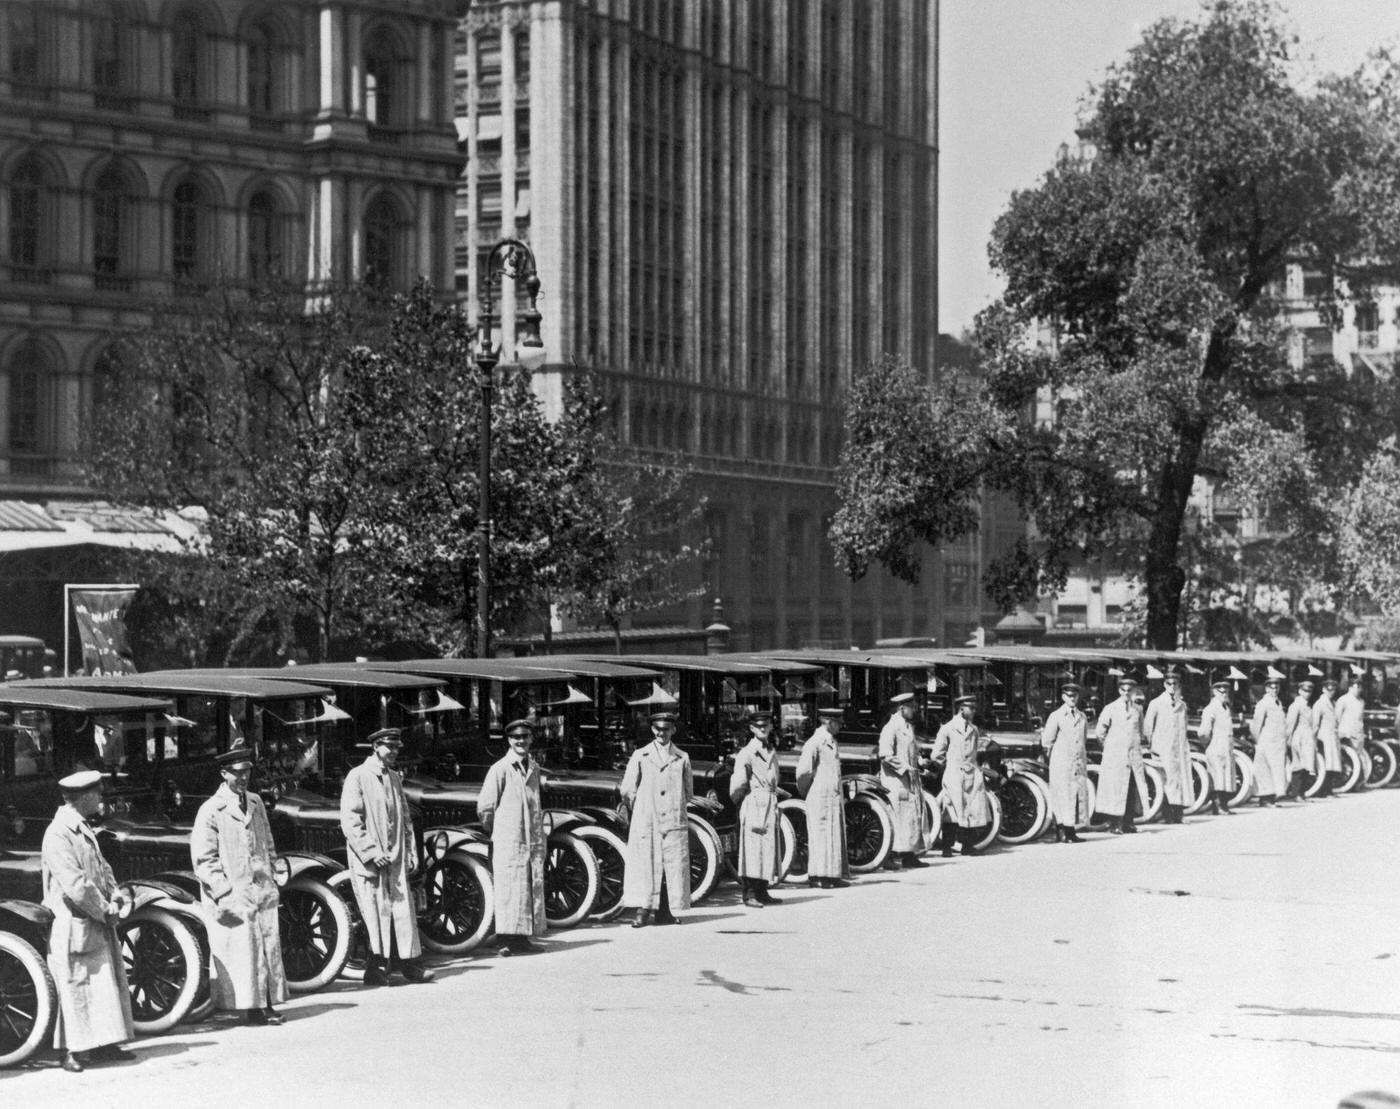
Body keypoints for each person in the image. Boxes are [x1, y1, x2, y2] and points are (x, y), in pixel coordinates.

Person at [41, 769, 135, 1073]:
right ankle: (72, 1052)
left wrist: (115, 893)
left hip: (92, 917)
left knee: (103, 983)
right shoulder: (58, 833)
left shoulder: (80, 827)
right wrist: (104, 908)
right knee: (76, 989)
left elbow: (101, 867)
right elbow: (75, 883)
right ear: (83, 797)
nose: (101, 798)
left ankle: (106, 1043)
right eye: (97, 794)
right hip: (74, 921)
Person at [190, 748, 287, 1025]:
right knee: (243, 951)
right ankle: (250, 1008)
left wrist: (274, 871)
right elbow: (203, 858)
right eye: (237, 772)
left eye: (247, 772)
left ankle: (266, 1003)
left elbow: (267, 842)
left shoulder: (255, 802)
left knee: (266, 946)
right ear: (224, 774)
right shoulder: (211, 810)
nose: (243, 777)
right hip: (233, 892)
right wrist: (223, 891)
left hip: (260, 887)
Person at [340, 727, 434, 985]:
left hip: (396, 856)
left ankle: (412, 965)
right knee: (374, 912)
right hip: (370, 861)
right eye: (389, 747)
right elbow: (350, 821)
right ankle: (377, 970)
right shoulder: (357, 776)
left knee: (404, 911)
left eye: (397, 747)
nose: (394, 752)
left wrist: (411, 851)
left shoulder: (394, 777)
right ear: (375, 747)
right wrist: (371, 852)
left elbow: (405, 818)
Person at [477, 718, 546, 956]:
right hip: (508, 839)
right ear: (509, 740)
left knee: (526, 887)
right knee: (508, 889)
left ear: (531, 739)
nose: (521, 741)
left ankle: (522, 939)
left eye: (525, 737)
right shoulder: (501, 768)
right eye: (516, 738)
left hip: (530, 838)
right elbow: (485, 807)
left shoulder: (533, 768)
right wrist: (498, 831)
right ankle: (505, 939)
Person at [620, 711, 693, 927]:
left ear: (673, 730)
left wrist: (673, 806)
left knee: (670, 866)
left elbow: (687, 791)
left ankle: (665, 911)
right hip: (647, 818)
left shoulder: (682, 757)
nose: (662, 733)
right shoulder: (641, 755)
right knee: (646, 864)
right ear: (652, 729)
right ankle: (642, 911)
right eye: (658, 729)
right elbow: (627, 789)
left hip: (672, 819)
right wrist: (641, 809)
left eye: (666, 729)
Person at [730, 709, 782, 907]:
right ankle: (749, 893)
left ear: (770, 727)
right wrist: (744, 802)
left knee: (767, 848)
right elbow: (737, 785)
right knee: (752, 850)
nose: (762, 729)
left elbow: (775, 777)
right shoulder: (747, 753)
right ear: (752, 728)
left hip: (769, 802)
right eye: (758, 726)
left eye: (766, 726)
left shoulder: (770, 751)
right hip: (754, 802)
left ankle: (762, 890)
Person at [929, 694, 992, 857]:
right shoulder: (948, 728)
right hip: (954, 774)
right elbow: (936, 754)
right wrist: (949, 766)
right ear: (961, 708)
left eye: (974, 708)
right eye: (970, 708)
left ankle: (967, 845)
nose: (973, 711)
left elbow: (975, 751)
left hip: (971, 774)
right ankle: (947, 847)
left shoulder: (974, 729)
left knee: (971, 809)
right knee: (951, 810)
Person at [796, 707, 850, 889]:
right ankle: (817, 876)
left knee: (832, 836)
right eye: (838, 722)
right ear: (828, 722)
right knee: (820, 837)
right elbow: (803, 772)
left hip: (832, 797)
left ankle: (832, 875)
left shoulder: (831, 741)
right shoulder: (815, 742)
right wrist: (810, 793)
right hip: (819, 797)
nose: (841, 726)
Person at [878, 692, 929, 868]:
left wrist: (920, 761)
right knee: (896, 818)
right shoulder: (891, 727)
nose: (914, 710)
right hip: (896, 781)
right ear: (902, 708)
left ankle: (909, 855)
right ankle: (889, 857)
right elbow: (885, 754)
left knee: (910, 818)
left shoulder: (907, 727)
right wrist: (905, 767)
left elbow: (911, 750)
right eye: (912, 707)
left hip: (909, 780)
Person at [1094, 675, 1148, 835]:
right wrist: (1110, 749)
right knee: (1115, 790)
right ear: (1119, 691)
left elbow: (1140, 730)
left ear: (1134, 691)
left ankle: (1128, 822)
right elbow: (1100, 732)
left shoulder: (1137, 709)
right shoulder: (1110, 708)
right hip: (1115, 756)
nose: (1126, 693)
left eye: (1129, 690)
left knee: (1131, 789)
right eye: (1123, 690)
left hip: (1133, 757)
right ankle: (1115, 823)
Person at [1041, 683, 1089, 843]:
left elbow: (1083, 739)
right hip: (1061, 762)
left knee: (1074, 796)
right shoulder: (1056, 716)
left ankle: (1071, 831)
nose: (1072, 698)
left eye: (1075, 695)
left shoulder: (1082, 717)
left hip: (1077, 762)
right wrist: (1055, 759)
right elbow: (1047, 741)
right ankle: (1061, 831)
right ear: (1063, 697)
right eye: (1069, 696)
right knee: (1061, 796)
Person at [1144, 667, 1192, 824]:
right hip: (1162, 749)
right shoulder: (1156, 703)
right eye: (1169, 683)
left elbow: (1184, 726)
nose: (1172, 686)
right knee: (1165, 781)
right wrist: (1153, 747)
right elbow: (1148, 728)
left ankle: (1178, 814)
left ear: (1178, 685)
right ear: (1164, 685)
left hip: (1179, 749)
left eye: (1175, 683)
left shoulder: (1182, 705)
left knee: (1180, 780)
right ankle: (1167, 815)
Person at [1198, 680, 1237, 814]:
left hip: (1226, 748)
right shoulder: (1211, 708)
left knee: (1225, 777)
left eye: (1226, 690)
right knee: (1217, 777)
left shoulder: (1225, 707)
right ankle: (1217, 806)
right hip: (1216, 747)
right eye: (1220, 690)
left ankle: (1224, 805)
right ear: (1214, 692)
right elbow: (1203, 732)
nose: (1224, 693)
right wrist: (1208, 744)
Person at [1249, 675, 1288, 807]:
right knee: (1265, 772)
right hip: (1267, 743)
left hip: (1278, 744)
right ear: (1266, 689)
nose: (1274, 690)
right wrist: (1258, 742)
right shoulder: (1263, 703)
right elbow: (1255, 725)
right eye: (1271, 688)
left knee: (1275, 771)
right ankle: (1265, 799)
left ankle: (1272, 797)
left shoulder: (1278, 703)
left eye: (1276, 687)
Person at [1284, 680, 1318, 801]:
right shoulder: (1296, 705)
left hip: (1307, 739)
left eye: (1309, 691)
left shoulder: (1307, 705)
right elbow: (1290, 724)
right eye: (1304, 691)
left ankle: (1301, 793)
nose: (1307, 693)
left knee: (1306, 767)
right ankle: (1296, 793)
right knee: (1298, 766)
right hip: (1299, 738)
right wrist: (1288, 739)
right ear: (1299, 691)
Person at [1313, 678, 1342, 797]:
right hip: (1323, 737)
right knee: (1324, 765)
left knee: (1331, 765)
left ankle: (1329, 790)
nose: (1331, 692)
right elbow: (1315, 723)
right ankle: (1322, 791)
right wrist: (1314, 738)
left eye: (1333, 689)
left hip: (1332, 737)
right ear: (1323, 689)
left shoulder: (1333, 703)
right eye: (1328, 689)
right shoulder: (1320, 703)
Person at [1336, 679, 1366, 782]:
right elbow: (1337, 717)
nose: (1359, 689)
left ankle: (1357, 782)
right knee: (1348, 759)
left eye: (1360, 687)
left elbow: (1361, 718)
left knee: (1358, 757)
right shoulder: (1343, 700)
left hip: (1358, 734)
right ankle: (1346, 781)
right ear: (1350, 687)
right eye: (1356, 687)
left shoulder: (1361, 701)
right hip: (1346, 733)